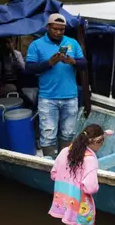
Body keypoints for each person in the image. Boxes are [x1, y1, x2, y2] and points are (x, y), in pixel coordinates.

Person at [26, 13, 87, 158]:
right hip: (47, 97)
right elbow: (29, 68)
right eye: (55, 29)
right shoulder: (36, 45)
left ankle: (63, 161)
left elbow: (84, 64)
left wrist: (73, 62)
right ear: (47, 27)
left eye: (62, 30)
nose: (59, 32)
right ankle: (49, 163)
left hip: (70, 96)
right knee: (48, 133)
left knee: (68, 132)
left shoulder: (72, 43)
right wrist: (49, 63)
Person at [49, 124, 106, 225]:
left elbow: (54, 174)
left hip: (66, 205)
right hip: (81, 206)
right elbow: (91, 187)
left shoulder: (64, 152)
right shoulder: (90, 160)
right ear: (96, 142)